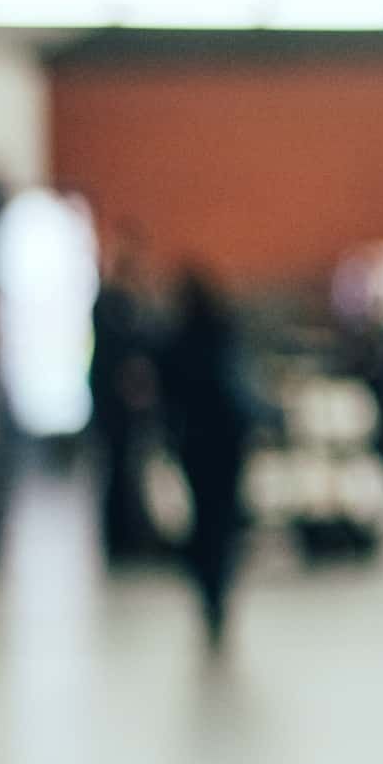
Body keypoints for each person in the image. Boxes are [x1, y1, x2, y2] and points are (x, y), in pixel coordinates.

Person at [158, 270, 256, 653]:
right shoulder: (223, 333)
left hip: (194, 444)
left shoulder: (175, 341)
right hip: (228, 442)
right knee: (224, 518)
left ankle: (208, 582)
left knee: (203, 517)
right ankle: (220, 583)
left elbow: (165, 394)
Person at [88, 223, 160, 563]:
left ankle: (126, 530)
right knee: (116, 466)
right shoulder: (111, 301)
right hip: (112, 401)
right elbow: (118, 353)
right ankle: (118, 535)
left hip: (122, 400)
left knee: (126, 466)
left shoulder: (128, 299)